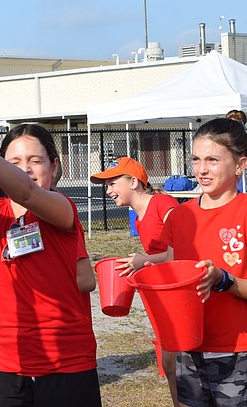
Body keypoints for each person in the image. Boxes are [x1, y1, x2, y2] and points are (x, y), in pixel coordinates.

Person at [0, 123, 101, 407]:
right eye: (14, 162)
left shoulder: (63, 208)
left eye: (35, 161)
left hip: (66, 362)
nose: (24, 169)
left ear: (54, 167)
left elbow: (28, 193)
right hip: (10, 363)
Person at [157, 117, 247, 407]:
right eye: (196, 159)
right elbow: (173, 287)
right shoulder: (180, 217)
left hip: (240, 351)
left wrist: (223, 279)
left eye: (212, 159)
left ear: (240, 164)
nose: (201, 169)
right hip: (189, 349)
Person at [89, 156, 180, 405]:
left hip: (182, 293)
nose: (108, 190)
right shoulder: (139, 220)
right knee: (170, 363)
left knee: (176, 362)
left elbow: (183, 250)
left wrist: (144, 260)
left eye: (112, 183)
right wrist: (140, 267)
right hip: (164, 293)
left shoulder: (164, 203)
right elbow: (160, 259)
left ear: (133, 182)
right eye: (106, 185)